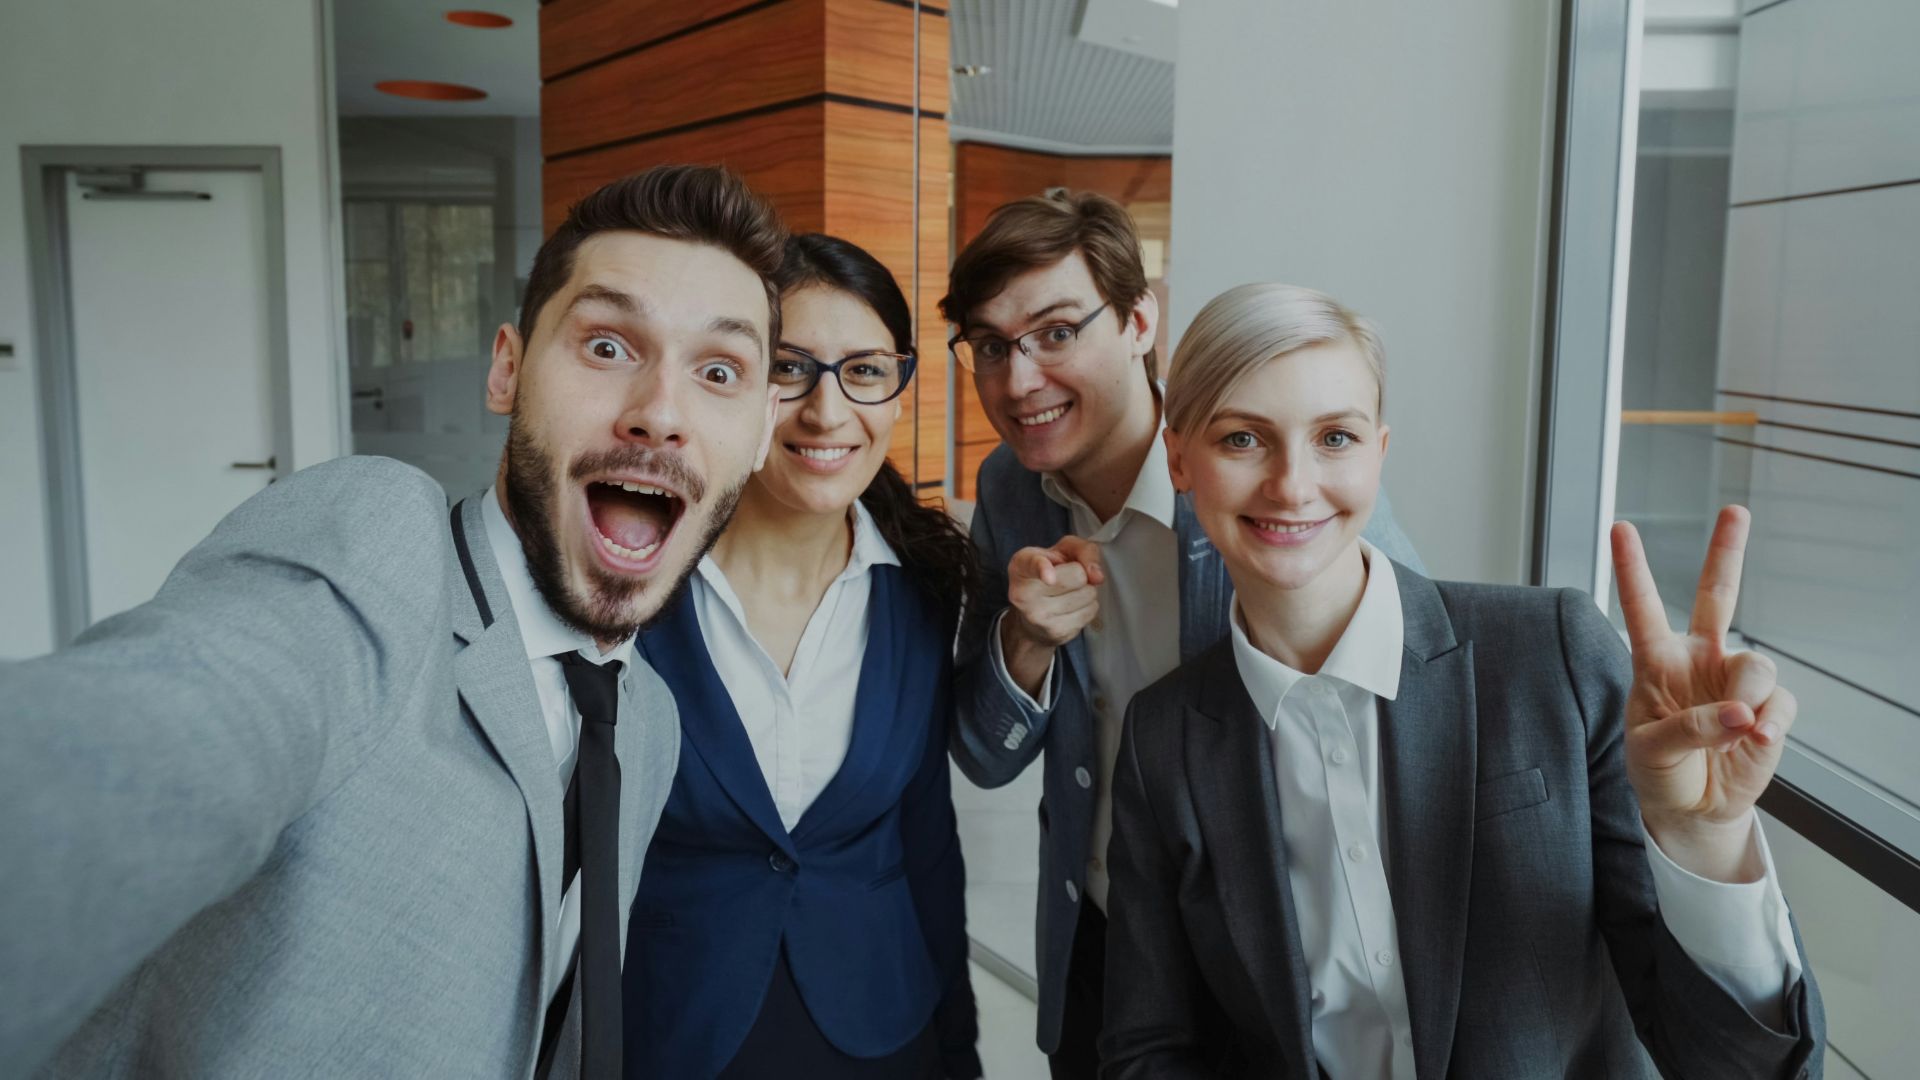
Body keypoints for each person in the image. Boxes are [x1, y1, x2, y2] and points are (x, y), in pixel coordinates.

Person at [0, 164, 790, 1079]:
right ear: (507, 368)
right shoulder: (380, 550)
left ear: (763, 431)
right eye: (608, 346)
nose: (659, 412)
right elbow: (168, 729)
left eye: (719, 370)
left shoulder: (649, 724)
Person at [1100, 283, 1825, 1079]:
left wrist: (1704, 842)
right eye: (1243, 439)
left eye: (1334, 438)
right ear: (1178, 459)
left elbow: (1738, 1064)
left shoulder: (1552, 655)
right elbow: (1150, 1047)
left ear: (1379, 453)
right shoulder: (1162, 737)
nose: (1292, 485)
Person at [942, 191, 1423, 1074]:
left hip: (1270, 947)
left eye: (1056, 332)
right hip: (1099, 935)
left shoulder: (1267, 484)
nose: (1018, 381)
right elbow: (984, 753)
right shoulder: (1008, 491)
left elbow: (1412, 702)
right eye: (991, 347)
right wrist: (1027, 645)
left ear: (1136, 321)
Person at [624, 234, 982, 1079]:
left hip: (883, 1025)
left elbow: (928, 845)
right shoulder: (632, 587)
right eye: (790, 369)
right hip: (678, 1026)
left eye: (863, 371)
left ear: (897, 389)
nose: (828, 413)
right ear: (732, 381)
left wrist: (961, 1052)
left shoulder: (922, 591)